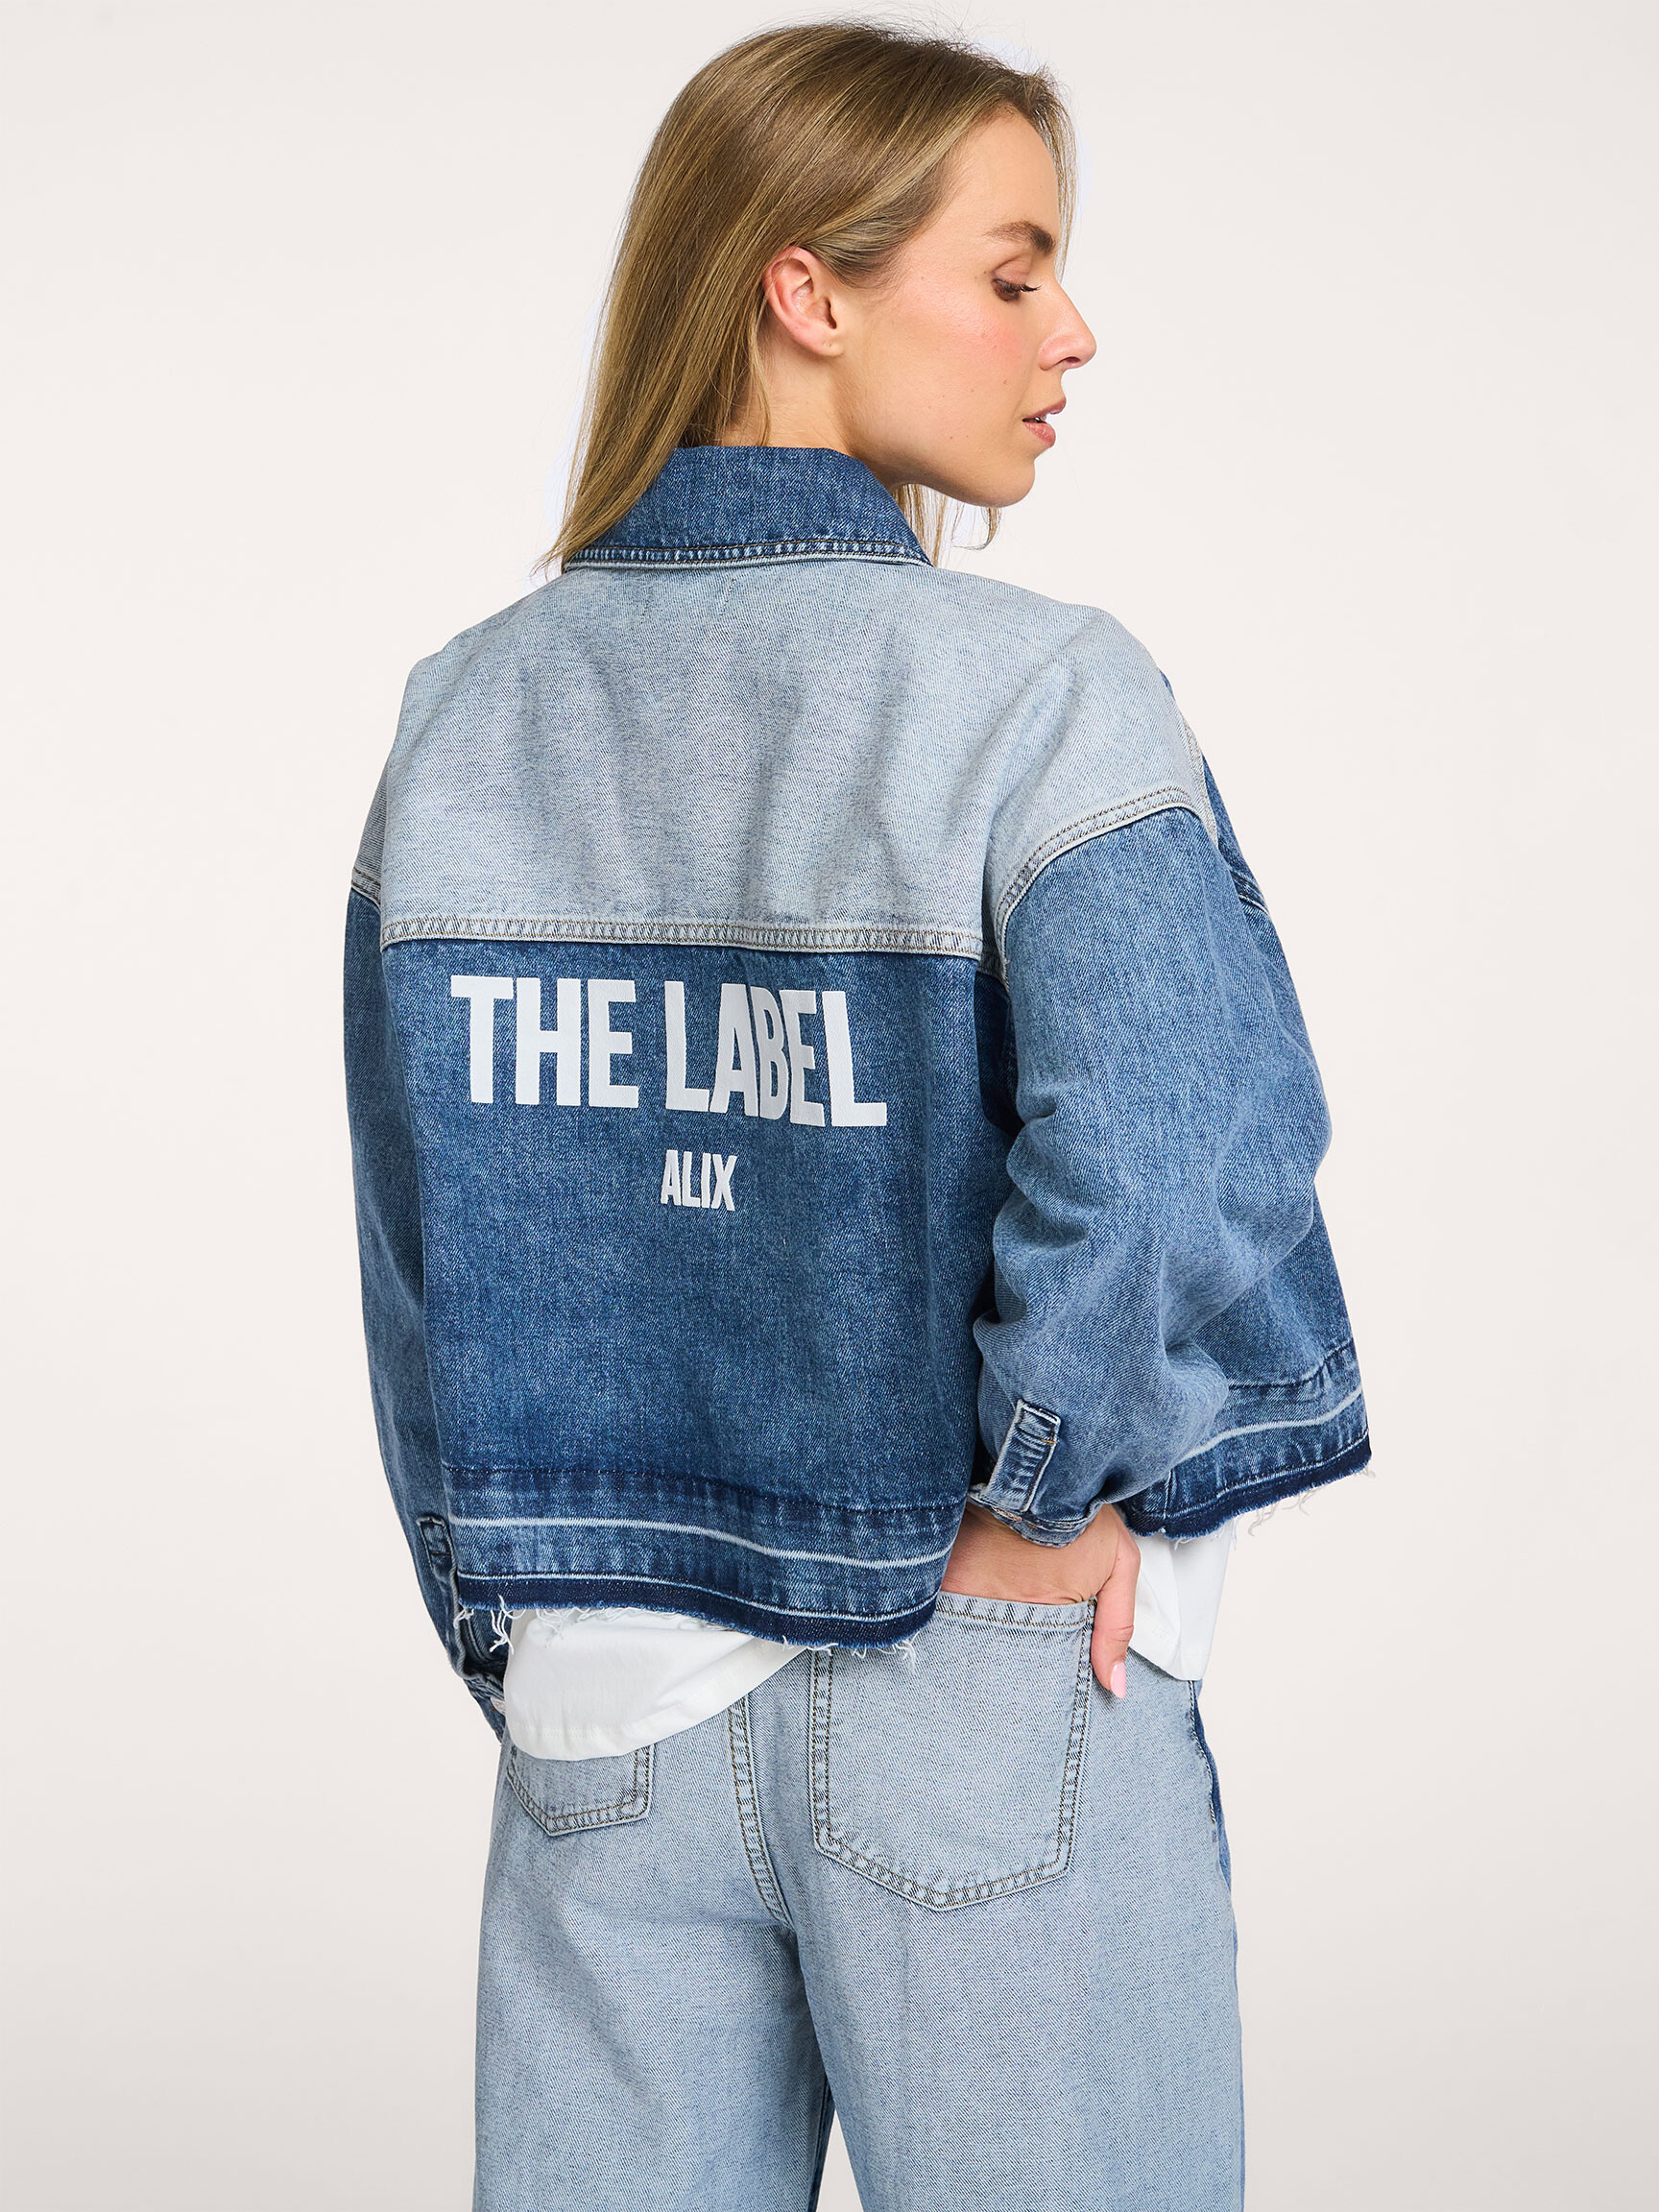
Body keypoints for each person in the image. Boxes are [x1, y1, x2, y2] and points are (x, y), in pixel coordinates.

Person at [343, 23, 1369, 2211]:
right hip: (972, 1685)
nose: (1070, 332)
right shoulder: (1040, 691)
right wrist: (1041, 1488)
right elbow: (1185, 1126)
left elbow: (420, 1259)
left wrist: (519, 1620)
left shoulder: (464, 720)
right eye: (1012, 271)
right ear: (805, 290)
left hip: (605, 1718)